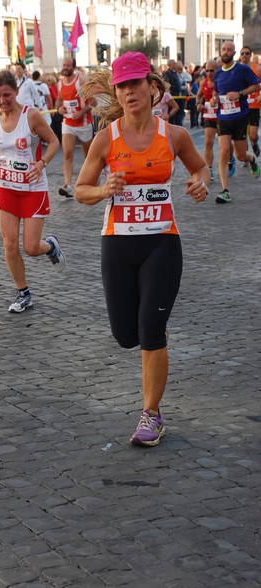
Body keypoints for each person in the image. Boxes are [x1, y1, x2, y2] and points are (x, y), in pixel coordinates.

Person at [75, 51, 210, 447]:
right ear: (116, 91)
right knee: (125, 334)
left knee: (151, 329)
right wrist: (104, 189)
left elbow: (200, 168)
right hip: (117, 244)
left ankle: (151, 414)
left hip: (162, 242)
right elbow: (81, 190)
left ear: (152, 87)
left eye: (136, 83)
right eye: (122, 85)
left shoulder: (175, 135)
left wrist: (201, 182)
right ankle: (149, 332)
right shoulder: (106, 139)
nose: (129, 91)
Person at [0, 70, 65, 313]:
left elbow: (54, 141)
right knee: (9, 245)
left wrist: (42, 162)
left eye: (7, 95)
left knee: (31, 247)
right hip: (6, 188)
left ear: (16, 92)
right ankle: (23, 293)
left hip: (33, 188)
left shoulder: (31, 116)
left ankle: (51, 246)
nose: (3, 100)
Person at [210, 41, 261, 203]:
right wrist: (214, 99)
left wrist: (240, 93)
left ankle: (252, 159)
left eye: (229, 50)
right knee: (224, 151)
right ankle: (225, 191)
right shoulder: (217, 74)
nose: (225, 52)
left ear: (234, 53)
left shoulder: (242, 70)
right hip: (223, 118)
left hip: (240, 117)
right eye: (223, 49)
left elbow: (257, 86)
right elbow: (216, 93)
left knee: (240, 155)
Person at [56, 57, 94, 199]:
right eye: (64, 65)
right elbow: (59, 101)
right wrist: (59, 109)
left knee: (89, 156)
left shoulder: (80, 81)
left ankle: (91, 181)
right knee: (68, 153)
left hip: (84, 124)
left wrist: (81, 112)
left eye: (68, 65)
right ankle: (68, 185)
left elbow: (93, 102)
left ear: (73, 67)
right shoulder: (60, 83)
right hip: (68, 123)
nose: (65, 67)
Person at [196, 60, 219, 180]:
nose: (209, 73)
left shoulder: (221, 81)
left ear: (217, 70)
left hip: (222, 115)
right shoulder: (203, 83)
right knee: (208, 142)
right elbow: (199, 95)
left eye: (212, 70)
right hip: (209, 115)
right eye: (207, 70)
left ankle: (231, 158)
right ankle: (209, 169)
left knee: (225, 145)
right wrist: (198, 104)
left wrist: (217, 98)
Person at [239, 45, 261, 158]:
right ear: (239, 56)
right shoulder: (236, 69)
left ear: (251, 55)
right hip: (240, 105)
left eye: (247, 53)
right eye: (242, 53)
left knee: (252, 135)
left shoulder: (257, 68)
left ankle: (254, 143)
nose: (245, 56)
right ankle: (246, 157)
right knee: (242, 135)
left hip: (254, 105)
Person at [162, 60, 181, 124]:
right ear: (171, 64)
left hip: (177, 95)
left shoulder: (175, 73)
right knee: (172, 112)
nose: (176, 65)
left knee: (177, 113)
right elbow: (166, 83)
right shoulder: (167, 73)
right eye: (174, 63)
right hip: (171, 96)